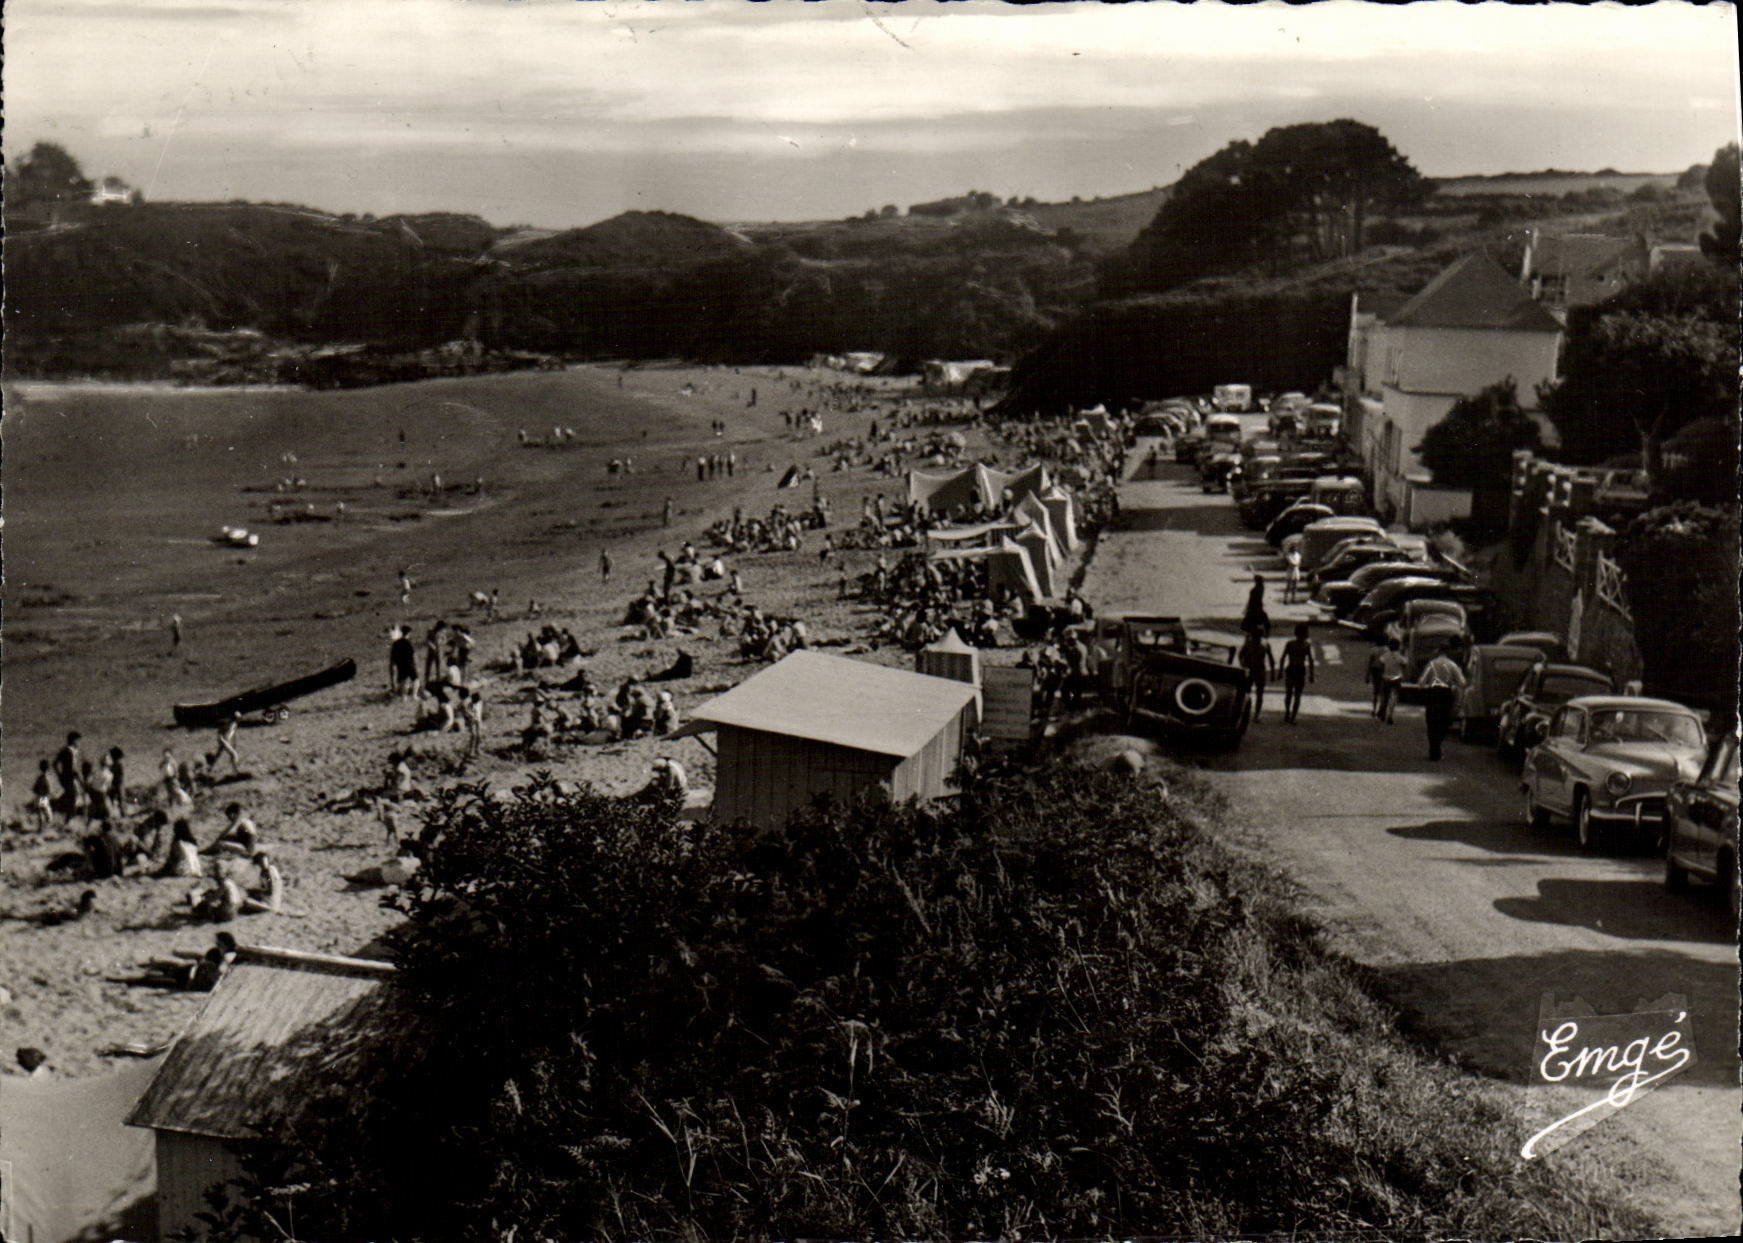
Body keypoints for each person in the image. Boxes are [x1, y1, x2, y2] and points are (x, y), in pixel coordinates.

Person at [1419, 644, 1468, 761]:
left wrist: (1424, 689)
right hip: (1445, 693)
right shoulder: (1452, 665)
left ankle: (1433, 749)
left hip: (1432, 693)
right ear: (1448, 652)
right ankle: (1437, 745)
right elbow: (1462, 682)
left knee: (1431, 721)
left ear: (1438, 651)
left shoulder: (1431, 664)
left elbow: (1421, 681)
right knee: (1444, 720)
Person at [1279, 623, 1316, 724]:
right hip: (1299, 671)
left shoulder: (1290, 644)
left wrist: (1280, 672)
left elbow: (1283, 658)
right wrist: (1311, 675)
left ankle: (1287, 713)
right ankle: (1292, 717)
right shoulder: (1306, 645)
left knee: (1289, 694)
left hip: (1292, 670)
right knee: (1297, 695)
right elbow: (1311, 661)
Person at [1238, 631, 1277, 718]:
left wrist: (1273, 673)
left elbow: (1271, 660)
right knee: (1248, 691)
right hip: (1252, 670)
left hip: (1259, 671)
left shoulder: (1263, 645)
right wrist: (1242, 664)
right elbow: (1240, 655)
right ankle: (1248, 711)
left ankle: (1256, 713)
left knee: (1258, 693)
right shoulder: (1249, 644)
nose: (1257, 638)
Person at [1375, 638, 1408, 724]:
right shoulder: (1400, 656)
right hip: (1397, 678)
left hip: (1386, 677)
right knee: (1394, 697)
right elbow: (1405, 663)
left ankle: (1382, 711)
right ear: (1398, 646)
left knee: (1385, 696)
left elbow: (1381, 664)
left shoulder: (1385, 655)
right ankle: (1390, 714)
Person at [29, 760, 54, 833]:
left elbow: (35, 788)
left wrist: (36, 791)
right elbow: (48, 789)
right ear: (48, 768)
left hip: (39, 797)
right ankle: (45, 827)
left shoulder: (39, 778)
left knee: (40, 813)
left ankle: (40, 828)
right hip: (45, 797)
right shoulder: (48, 778)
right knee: (47, 814)